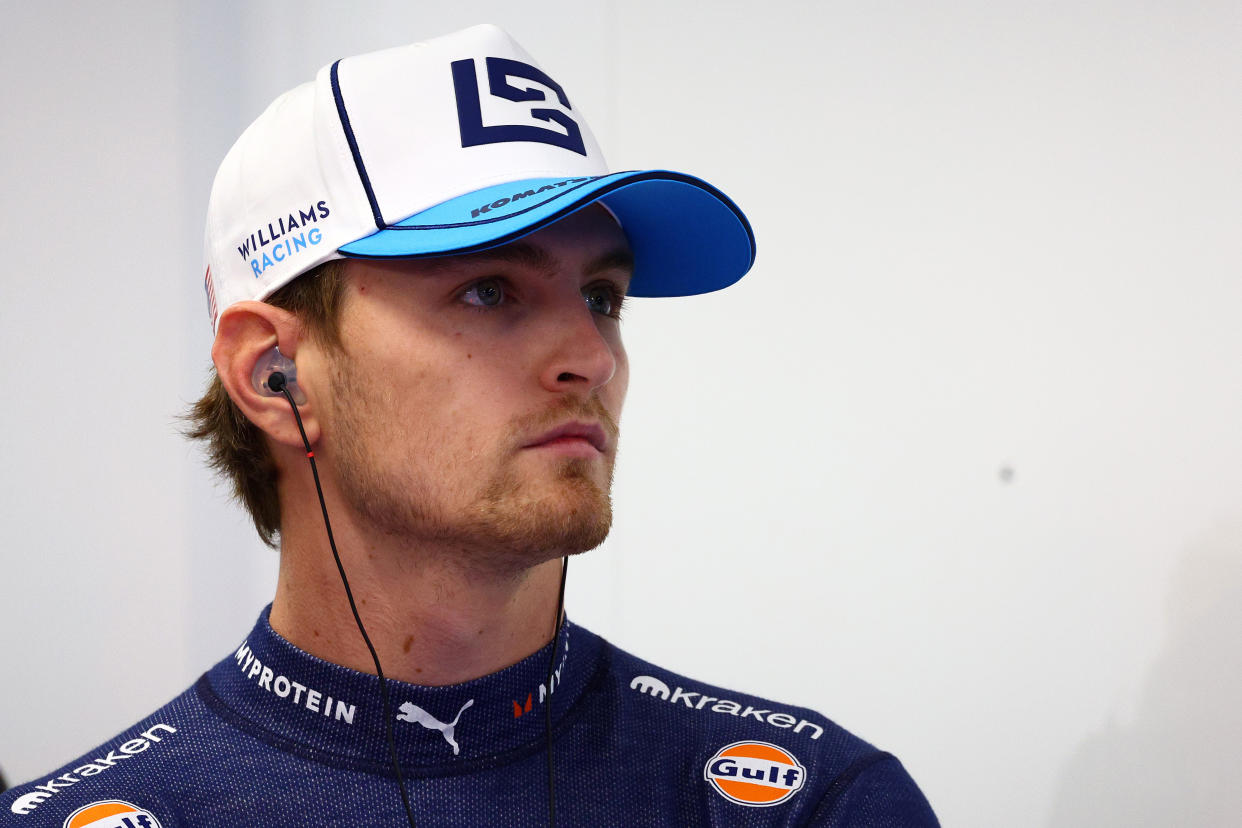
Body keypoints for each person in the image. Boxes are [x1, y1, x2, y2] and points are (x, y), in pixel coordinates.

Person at [1, 24, 937, 827]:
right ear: (273, 373)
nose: (593, 356)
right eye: (489, 290)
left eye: (604, 296)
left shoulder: (814, 803)